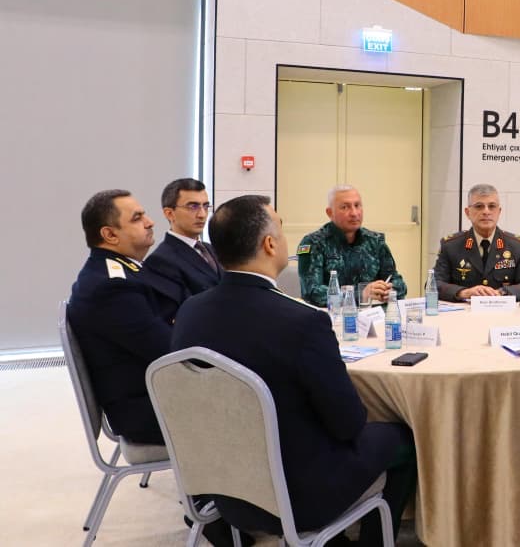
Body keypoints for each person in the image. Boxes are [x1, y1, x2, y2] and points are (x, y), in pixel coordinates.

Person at [172, 196, 417, 546]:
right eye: (281, 229)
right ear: (270, 244)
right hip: (297, 495)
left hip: (220, 486)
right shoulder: (303, 322)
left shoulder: (190, 312)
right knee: (402, 438)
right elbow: (348, 424)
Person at [66, 190, 177, 445]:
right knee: (260, 401)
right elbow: (169, 350)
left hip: (155, 393)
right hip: (150, 409)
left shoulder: (121, 271)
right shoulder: (111, 287)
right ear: (110, 235)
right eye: (137, 218)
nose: (150, 222)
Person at [296, 185, 407, 307]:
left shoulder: (375, 241)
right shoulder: (313, 243)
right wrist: (360, 294)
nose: (354, 213)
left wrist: (390, 291)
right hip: (330, 315)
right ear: (330, 213)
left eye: (357, 205)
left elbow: (398, 282)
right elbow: (311, 292)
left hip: (372, 315)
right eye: (345, 207)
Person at [433, 183, 520, 301]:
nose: (486, 211)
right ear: (467, 212)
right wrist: (464, 292)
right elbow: (434, 284)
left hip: (503, 311)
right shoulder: (451, 246)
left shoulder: (517, 246)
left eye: (492, 206)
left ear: (499, 211)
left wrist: (501, 293)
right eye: (479, 206)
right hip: (465, 312)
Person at [145, 178, 222, 298]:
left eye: (206, 206)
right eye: (193, 207)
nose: (202, 214)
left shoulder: (212, 249)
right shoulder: (160, 260)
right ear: (170, 214)